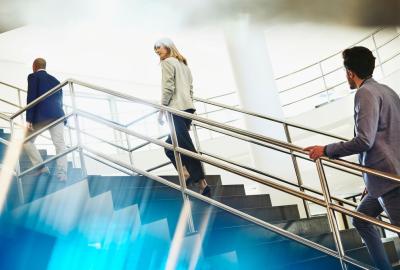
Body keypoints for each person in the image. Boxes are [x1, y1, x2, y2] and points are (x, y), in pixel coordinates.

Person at [305, 46, 400, 270]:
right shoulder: (387, 91)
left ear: (349, 72)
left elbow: (364, 140)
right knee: (361, 218)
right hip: (383, 179)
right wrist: (369, 180)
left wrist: (326, 150)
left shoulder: (364, 93)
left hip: (389, 181)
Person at [154, 38, 210, 197]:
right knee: (169, 146)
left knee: (184, 145)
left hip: (175, 109)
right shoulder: (184, 65)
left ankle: (202, 183)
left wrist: (161, 109)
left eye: (159, 48)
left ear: (168, 47)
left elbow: (168, 87)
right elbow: (191, 89)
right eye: (155, 50)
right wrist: (189, 110)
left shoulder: (167, 63)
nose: (157, 52)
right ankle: (185, 173)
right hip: (187, 109)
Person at [23, 58, 68, 181]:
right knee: (60, 144)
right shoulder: (56, 80)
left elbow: (31, 97)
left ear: (34, 66)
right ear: (44, 66)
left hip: (41, 116)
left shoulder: (33, 76)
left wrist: (29, 118)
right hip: (58, 115)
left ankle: (41, 168)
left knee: (26, 141)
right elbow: (60, 101)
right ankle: (62, 173)